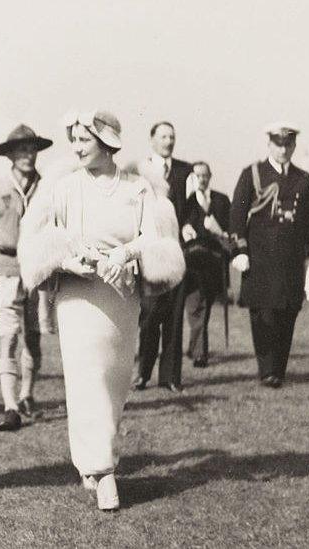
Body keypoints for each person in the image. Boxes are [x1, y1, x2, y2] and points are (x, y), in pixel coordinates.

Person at [18, 110, 184, 511]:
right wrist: (66, 260)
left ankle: (90, 461)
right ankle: (103, 470)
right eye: (72, 140)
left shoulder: (138, 187)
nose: (75, 148)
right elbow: (41, 238)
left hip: (121, 295)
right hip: (79, 295)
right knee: (85, 377)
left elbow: (154, 236)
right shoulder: (64, 187)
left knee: (113, 381)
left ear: (107, 141)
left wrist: (127, 254)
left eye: (83, 140)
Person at [230, 123, 309, 388]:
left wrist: (306, 256)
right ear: (269, 144)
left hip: (290, 260)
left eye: (288, 144)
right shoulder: (253, 174)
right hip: (260, 258)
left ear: (294, 146)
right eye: (278, 144)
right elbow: (236, 215)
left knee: (287, 313)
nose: (283, 149)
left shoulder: (303, 178)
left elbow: (308, 220)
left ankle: (279, 368)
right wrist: (240, 249)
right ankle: (267, 369)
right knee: (263, 314)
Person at [0, 124, 53, 431]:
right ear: (10, 154)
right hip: (7, 266)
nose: (28, 155)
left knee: (34, 336)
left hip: (37, 271)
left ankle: (27, 395)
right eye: (22, 150)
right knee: (8, 335)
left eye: (32, 149)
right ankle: (10, 406)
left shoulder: (48, 187)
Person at [135, 121, 192, 392]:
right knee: (148, 316)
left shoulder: (185, 171)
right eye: (163, 136)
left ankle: (170, 376)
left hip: (178, 254)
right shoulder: (141, 172)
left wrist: (191, 224)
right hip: (151, 253)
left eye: (172, 136)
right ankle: (143, 372)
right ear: (152, 139)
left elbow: (193, 208)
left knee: (174, 317)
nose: (169, 141)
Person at [180, 161, 231, 369]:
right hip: (191, 264)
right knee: (195, 306)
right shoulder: (186, 202)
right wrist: (185, 229)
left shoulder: (221, 200)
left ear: (210, 176)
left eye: (205, 175)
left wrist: (218, 230)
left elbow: (230, 233)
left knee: (205, 308)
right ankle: (200, 353)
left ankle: (194, 348)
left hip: (214, 264)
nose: (201, 179)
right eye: (197, 175)